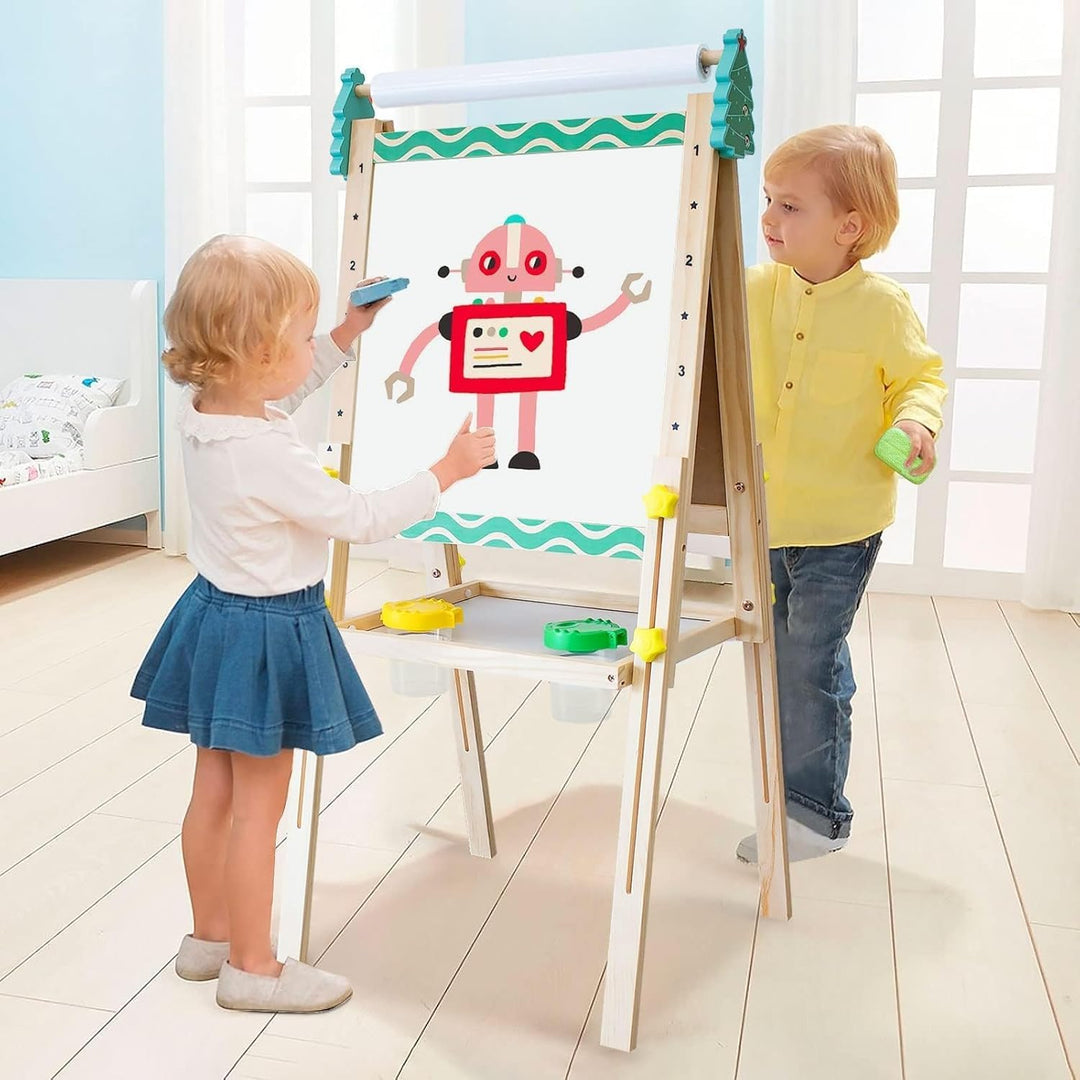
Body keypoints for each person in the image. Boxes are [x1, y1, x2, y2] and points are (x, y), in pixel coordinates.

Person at [132, 235, 495, 1011]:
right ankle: (255, 968)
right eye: (299, 337)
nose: (307, 347)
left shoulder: (207, 414)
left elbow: (279, 397)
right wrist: (447, 471)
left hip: (216, 621)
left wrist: (340, 339)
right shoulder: (267, 453)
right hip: (269, 633)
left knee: (214, 795)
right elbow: (360, 518)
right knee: (262, 811)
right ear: (258, 352)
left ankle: (209, 941)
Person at [738, 125, 947, 864]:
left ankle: (813, 816)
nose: (769, 219)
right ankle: (788, 796)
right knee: (783, 662)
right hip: (759, 520)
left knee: (805, 663)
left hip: (841, 527)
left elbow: (920, 379)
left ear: (849, 227)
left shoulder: (882, 307)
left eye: (790, 206)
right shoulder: (756, 290)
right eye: (768, 200)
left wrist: (916, 423)